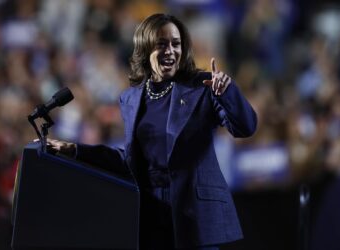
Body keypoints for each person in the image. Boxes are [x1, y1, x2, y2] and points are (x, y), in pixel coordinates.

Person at [47, 13, 257, 250]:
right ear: (145, 48)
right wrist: (75, 150)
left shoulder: (202, 86)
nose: (170, 51)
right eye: (161, 44)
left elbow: (245, 127)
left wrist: (227, 93)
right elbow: (128, 160)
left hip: (193, 214)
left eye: (176, 44)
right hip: (149, 213)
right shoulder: (130, 98)